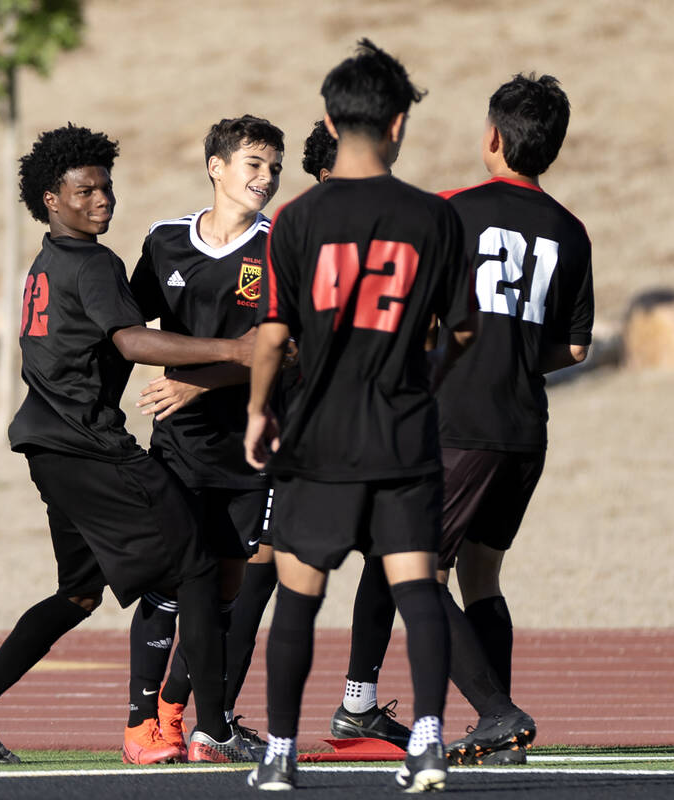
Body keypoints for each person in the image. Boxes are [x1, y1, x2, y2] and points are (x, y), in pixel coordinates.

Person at [0, 123, 257, 766]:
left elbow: (124, 322)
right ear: (51, 200)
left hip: (47, 449)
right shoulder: (94, 262)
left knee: (79, 594)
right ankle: (207, 728)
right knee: (197, 567)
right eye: (85, 192)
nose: (102, 200)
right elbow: (133, 342)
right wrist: (231, 349)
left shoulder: (49, 262)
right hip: (90, 448)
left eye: (106, 188)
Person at [244, 39, 472, 792]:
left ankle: (279, 752)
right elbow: (461, 329)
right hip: (404, 432)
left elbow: (275, 335)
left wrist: (257, 412)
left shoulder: (298, 219)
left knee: (299, 597)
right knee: (417, 585)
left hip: (319, 436)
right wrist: (422, 374)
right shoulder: (434, 218)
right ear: (399, 124)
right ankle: (430, 743)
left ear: (329, 120)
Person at [435, 73, 594, 764]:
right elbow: (578, 346)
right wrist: (519, 349)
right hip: (526, 425)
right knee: (481, 576)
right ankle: (496, 733)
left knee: (408, 569)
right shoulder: (570, 228)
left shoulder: (450, 209)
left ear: (492, 137)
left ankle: (496, 711)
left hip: (458, 421)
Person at [122, 114, 285, 763]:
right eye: (253, 164)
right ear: (216, 167)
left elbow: (289, 350)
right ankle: (140, 724)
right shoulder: (166, 241)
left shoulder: (281, 245)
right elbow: (129, 331)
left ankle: (179, 716)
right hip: (180, 444)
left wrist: (201, 381)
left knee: (222, 591)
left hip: (250, 447)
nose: (265, 178)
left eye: (273, 167)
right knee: (170, 581)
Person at [298, 119, 414, 749]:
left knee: (392, 556)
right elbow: (270, 339)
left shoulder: (398, 231)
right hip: (310, 430)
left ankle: (357, 704)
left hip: (375, 426)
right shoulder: (296, 232)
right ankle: (227, 726)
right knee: (279, 575)